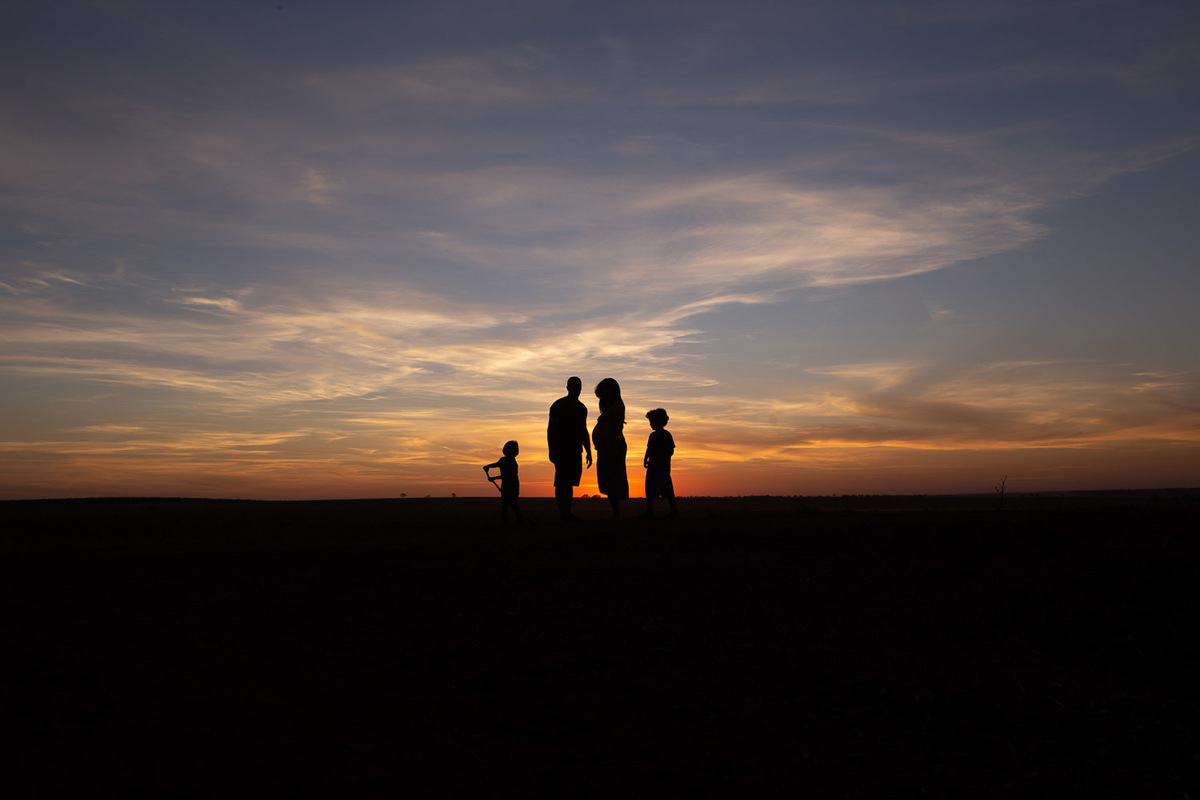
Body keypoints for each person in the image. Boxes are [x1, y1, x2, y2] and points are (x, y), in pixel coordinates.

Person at [547, 377, 592, 522]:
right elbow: (551, 429)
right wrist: (551, 449)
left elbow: (583, 430)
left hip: (575, 450)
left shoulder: (581, 408)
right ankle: (563, 513)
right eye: (573, 387)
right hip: (561, 450)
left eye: (578, 387)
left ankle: (567, 512)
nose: (576, 390)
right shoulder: (558, 405)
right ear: (567, 388)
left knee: (569, 482)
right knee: (562, 482)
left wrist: (588, 451)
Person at [592, 377, 629, 520]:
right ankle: (615, 511)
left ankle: (616, 512)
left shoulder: (617, 406)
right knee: (607, 479)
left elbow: (615, 429)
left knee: (612, 479)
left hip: (613, 446)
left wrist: (609, 444)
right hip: (605, 447)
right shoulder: (610, 407)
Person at [641, 408, 678, 519]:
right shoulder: (652, 436)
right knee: (650, 488)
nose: (651, 424)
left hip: (662, 467)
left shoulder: (666, 435)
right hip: (652, 466)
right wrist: (645, 459)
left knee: (666, 487)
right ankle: (650, 511)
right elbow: (649, 448)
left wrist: (662, 461)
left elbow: (670, 451)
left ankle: (673, 511)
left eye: (652, 422)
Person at [483, 440, 523, 525]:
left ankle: (519, 520)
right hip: (505, 485)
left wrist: (494, 478)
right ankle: (505, 522)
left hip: (513, 486)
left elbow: (507, 475)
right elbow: (497, 464)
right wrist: (488, 466)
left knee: (513, 503)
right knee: (504, 504)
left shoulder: (513, 463)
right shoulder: (503, 460)